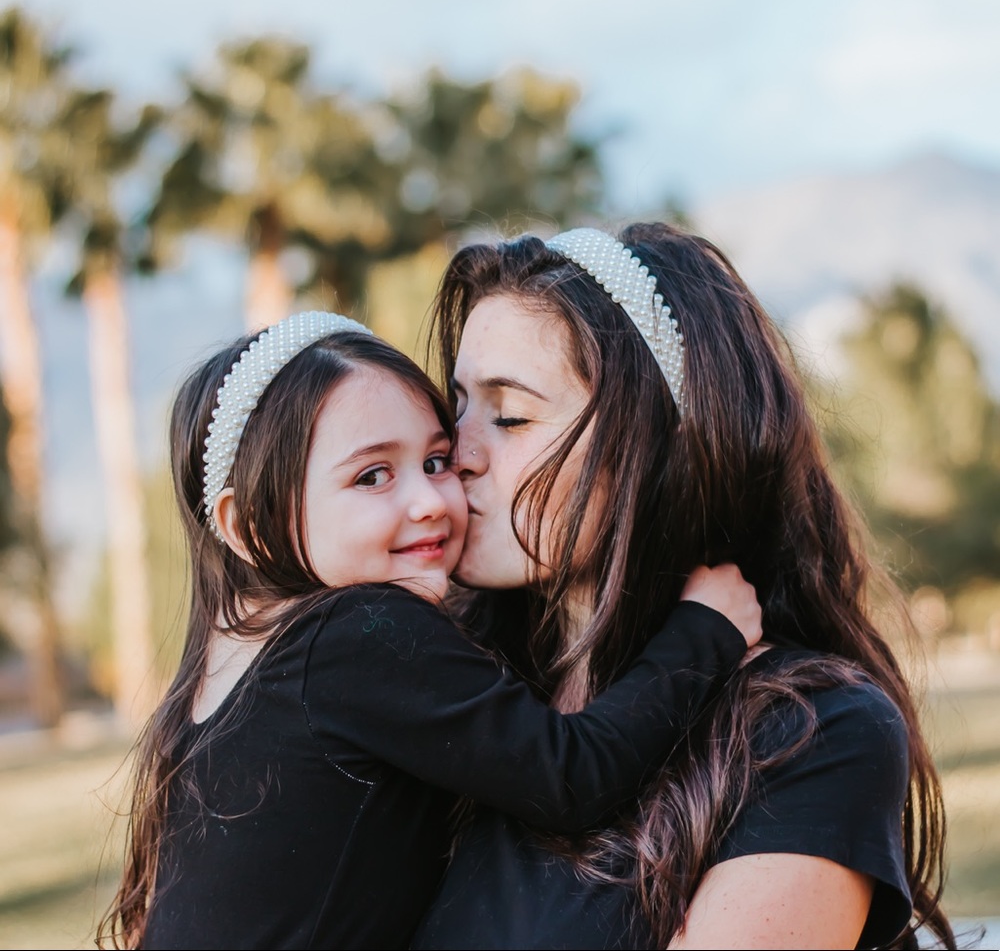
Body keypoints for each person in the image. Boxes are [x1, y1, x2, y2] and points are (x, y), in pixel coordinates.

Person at [97, 310, 763, 950]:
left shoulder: (224, 675)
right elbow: (568, 775)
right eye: (372, 476)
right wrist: (704, 631)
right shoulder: (355, 631)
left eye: (436, 461)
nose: (430, 502)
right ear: (246, 525)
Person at [411, 223, 955, 950]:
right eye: (460, 405)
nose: (455, 452)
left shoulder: (808, 735)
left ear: (664, 444)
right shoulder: (443, 688)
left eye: (509, 415)